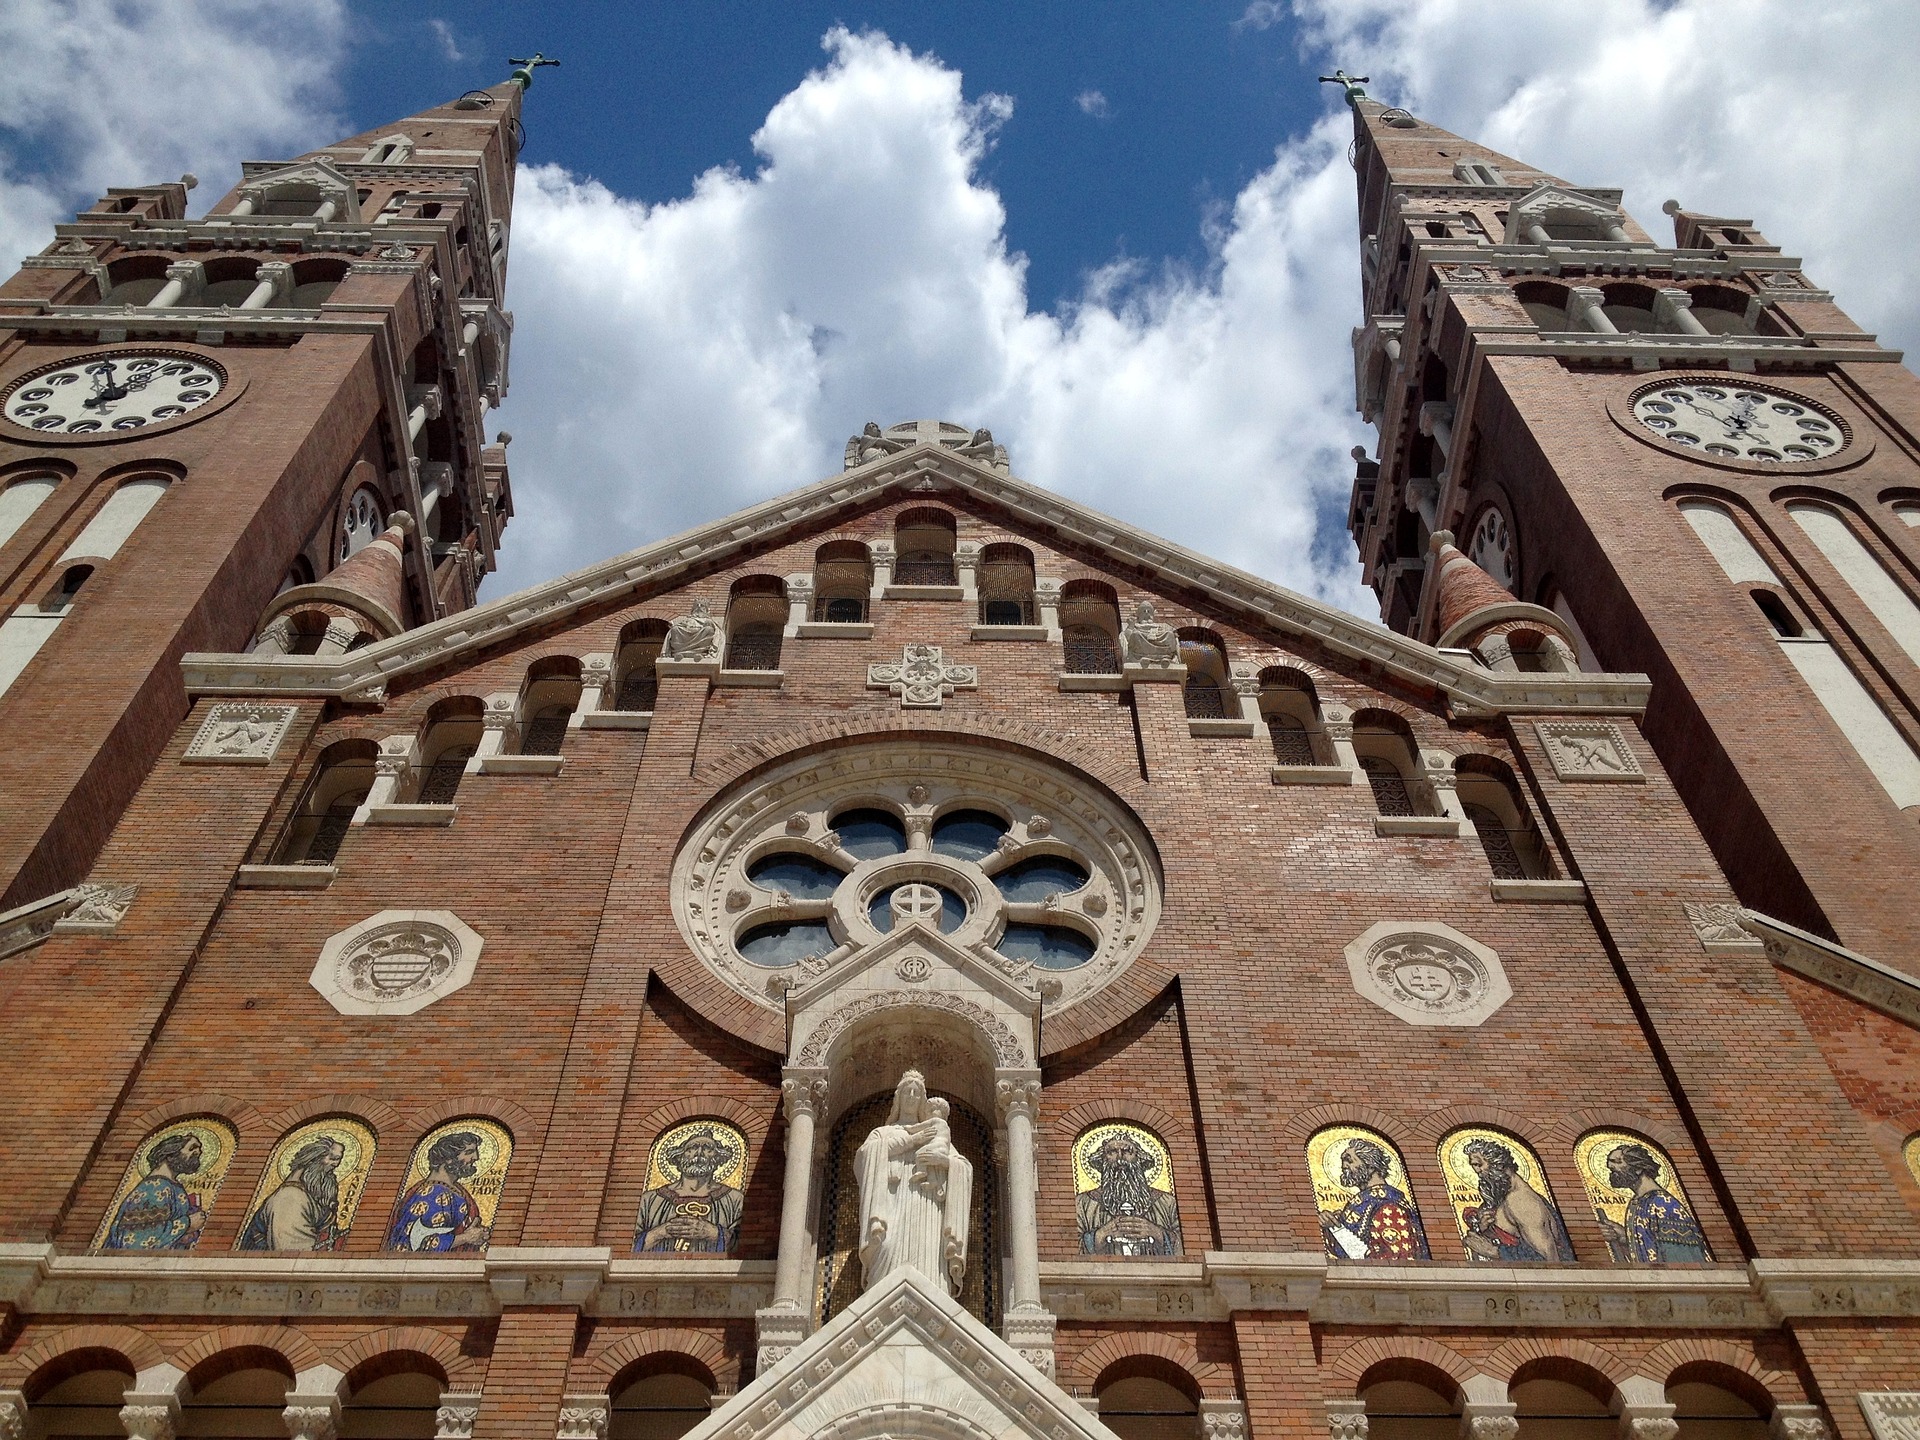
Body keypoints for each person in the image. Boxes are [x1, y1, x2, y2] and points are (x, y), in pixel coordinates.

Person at [854, 1071, 972, 1293]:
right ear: (898, 1098)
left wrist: (944, 1162)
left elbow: (963, 1167)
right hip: (891, 1201)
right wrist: (912, 1141)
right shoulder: (883, 1132)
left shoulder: (934, 1130)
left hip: (926, 1204)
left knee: (927, 1251)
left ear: (922, 1100)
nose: (911, 1096)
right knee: (886, 1246)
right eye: (907, 1092)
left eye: (916, 1093)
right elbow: (864, 1157)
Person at [1459, 1137, 1575, 1262]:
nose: (1478, 1172)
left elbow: (1551, 1261)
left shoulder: (1521, 1202)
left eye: (1479, 1164)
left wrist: (1494, 1252)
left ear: (1498, 1163)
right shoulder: (1504, 1197)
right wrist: (1482, 1229)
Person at [635, 1126, 745, 1254]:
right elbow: (629, 1244)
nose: (699, 1153)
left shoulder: (735, 1199)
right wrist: (660, 1232)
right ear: (679, 1157)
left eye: (707, 1149)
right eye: (692, 1148)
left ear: (719, 1158)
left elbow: (744, 1246)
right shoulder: (650, 1199)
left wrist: (713, 1233)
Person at [1596, 1143, 1710, 1263]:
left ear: (1638, 1168)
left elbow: (1682, 1260)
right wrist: (1625, 1237)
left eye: (1617, 1162)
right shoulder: (1638, 1202)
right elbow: (1650, 1250)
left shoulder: (1663, 1205)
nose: (1610, 1166)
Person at [1319, 1138, 1430, 1261]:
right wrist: (1332, 1225)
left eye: (1349, 1161)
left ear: (1371, 1166)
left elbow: (1391, 1260)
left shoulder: (1389, 1207)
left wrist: (1337, 1229)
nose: (1344, 1166)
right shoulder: (1365, 1204)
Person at [1077, 1130, 1182, 1255]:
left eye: (1127, 1151)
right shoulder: (1083, 1203)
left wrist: (1158, 1233)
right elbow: (1070, 1247)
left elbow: (1186, 1245)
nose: (1120, 1158)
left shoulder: (1166, 1202)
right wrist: (1099, 1236)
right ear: (1102, 1160)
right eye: (1112, 1152)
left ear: (1140, 1158)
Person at [386, 1131, 492, 1252]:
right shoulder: (434, 1193)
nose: (476, 1157)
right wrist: (466, 1238)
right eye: (468, 1152)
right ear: (448, 1159)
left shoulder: (455, 1190)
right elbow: (423, 1245)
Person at [238, 1137, 346, 1251]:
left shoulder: (306, 1196)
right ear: (312, 1159)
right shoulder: (290, 1198)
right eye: (333, 1158)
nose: (335, 1165)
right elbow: (293, 1251)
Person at [104, 1132, 208, 1250]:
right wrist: (187, 1224)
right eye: (192, 1148)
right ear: (169, 1154)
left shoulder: (171, 1186)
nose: (198, 1152)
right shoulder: (154, 1187)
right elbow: (136, 1240)